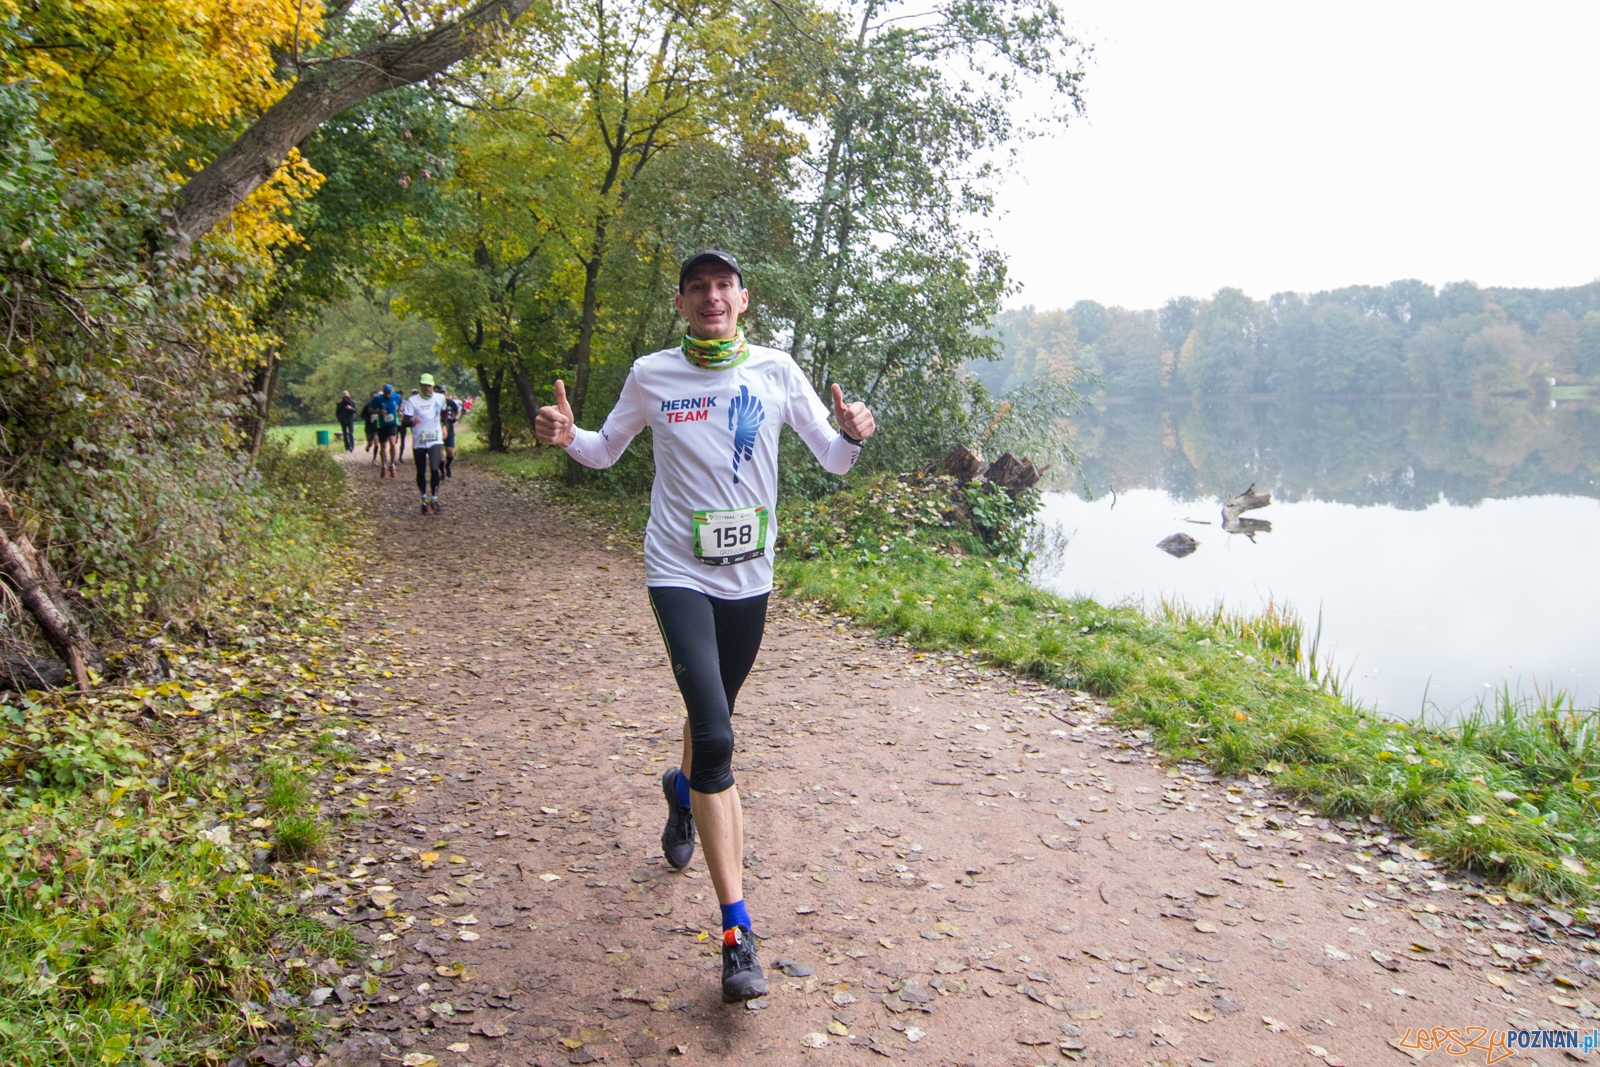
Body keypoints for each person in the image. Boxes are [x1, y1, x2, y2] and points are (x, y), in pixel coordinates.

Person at [535, 249, 875, 1003]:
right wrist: (568, 436)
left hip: (749, 576)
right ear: (681, 303)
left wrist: (853, 432)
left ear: (743, 299)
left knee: (710, 710)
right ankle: (736, 932)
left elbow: (833, 458)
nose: (712, 296)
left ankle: (681, 791)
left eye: (724, 285)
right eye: (698, 288)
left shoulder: (778, 370)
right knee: (718, 735)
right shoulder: (653, 374)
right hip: (677, 571)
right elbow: (602, 449)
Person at [403, 374, 449, 513]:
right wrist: (411, 422)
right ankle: (423, 499)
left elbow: (445, 411)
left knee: (435, 468)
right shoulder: (412, 401)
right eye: (423, 385)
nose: (426, 388)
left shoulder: (440, 398)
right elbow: (404, 421)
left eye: (428, 385)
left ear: (433, 386)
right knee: (421, 471)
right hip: (419, 441)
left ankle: (434, 499)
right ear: (420, 385)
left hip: (435, 439)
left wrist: (445, 425)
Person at [375, 383, 402, 477]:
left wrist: (400, 411)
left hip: (392, 424)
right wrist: (378, 412)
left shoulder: (396, 397)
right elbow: (370, 409)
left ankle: (392, 465)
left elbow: (401, 403)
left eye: (389, 393)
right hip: (382, 425)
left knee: (393, 443)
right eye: (386, 393)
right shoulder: (378, 398)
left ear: (392, 391)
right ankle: (383, 466)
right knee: (383, 447)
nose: (388, 395)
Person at [438, 384, 461, 477]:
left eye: (443, 392)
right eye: (440, 392)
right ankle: (442, 471)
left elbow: (458, 411)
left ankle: (448, 465)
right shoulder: (435, 403)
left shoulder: (451, 402)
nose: (442, 394)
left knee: (450, 452)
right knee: (439, 454)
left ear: (446, 392)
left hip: (449, 428)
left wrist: (456, 418)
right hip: (437, 429)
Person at [361, 390, 383, 464]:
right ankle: (368, 446)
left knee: (377, 444)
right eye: (373, 397)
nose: (374, 398)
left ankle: (374, 459)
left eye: (376, 396)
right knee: (370, 443)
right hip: (369, 427)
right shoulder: (367, 406)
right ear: (371, 397)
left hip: (376, 427)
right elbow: (362, 415)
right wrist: (369, 419)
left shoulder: (380, 406)